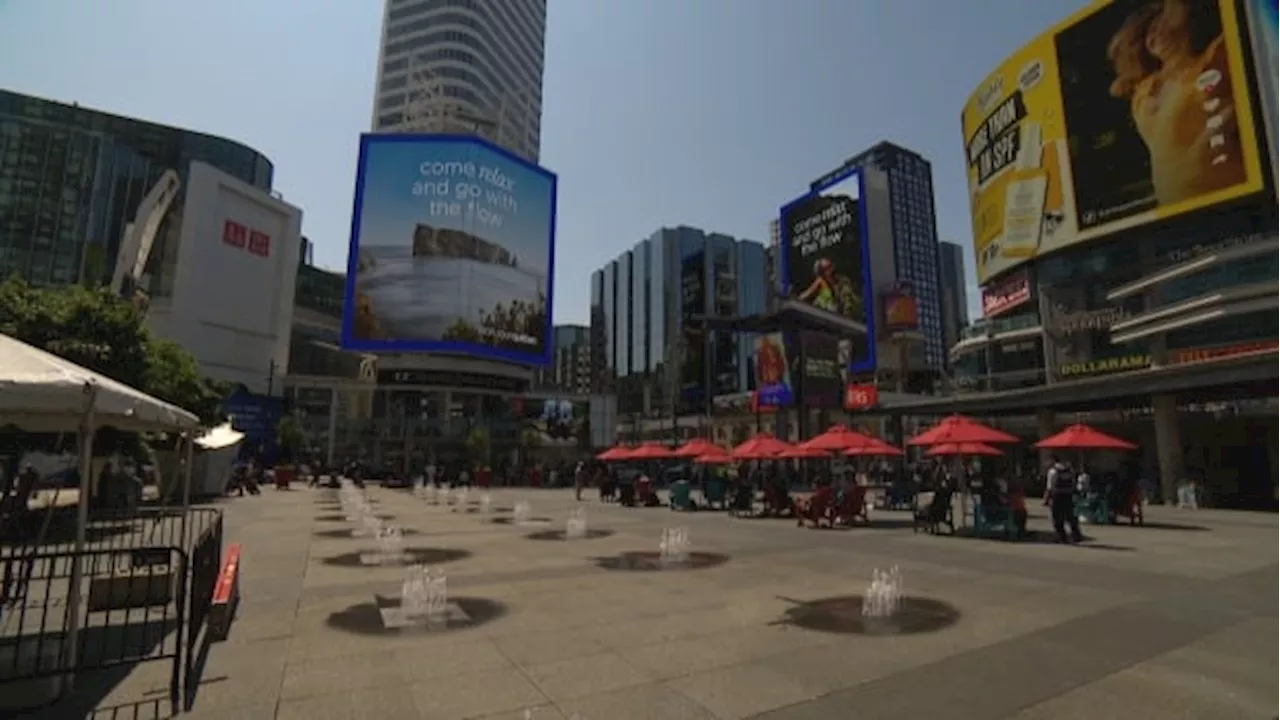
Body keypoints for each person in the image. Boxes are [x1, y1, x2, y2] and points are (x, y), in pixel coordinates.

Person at [1045, 457, 1083, 543]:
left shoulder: (1052, 471)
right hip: (1068, 495)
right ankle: (1076, 535)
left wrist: (1046, 499)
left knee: (1057, 518)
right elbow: (1073, 483)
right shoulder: (1069, 470)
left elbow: (1050, 487)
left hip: (1057, 496)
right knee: (1070, 516)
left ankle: (1062, 537)